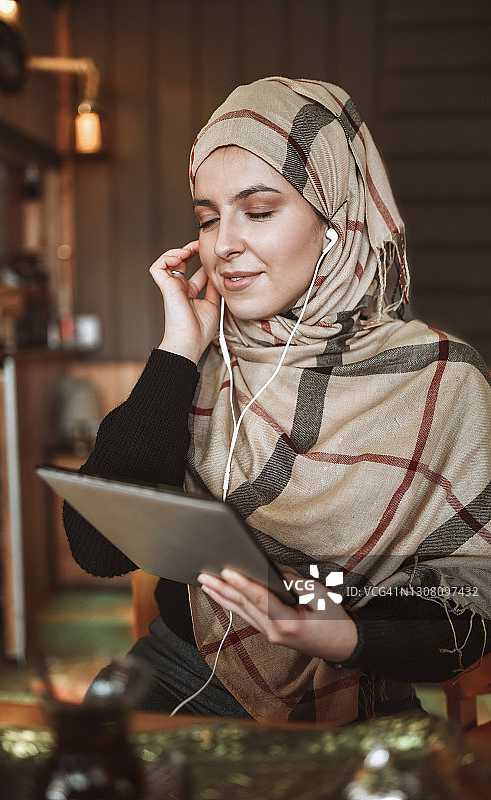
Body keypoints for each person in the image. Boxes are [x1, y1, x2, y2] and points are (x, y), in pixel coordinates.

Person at [63, 77, 491, 724]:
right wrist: (179, 349)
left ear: (334, 223)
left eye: (257, 211)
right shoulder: (206, 361)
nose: (223, 243)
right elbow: (98, 549)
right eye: (207, 217)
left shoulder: (438, 379)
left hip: (359, 694)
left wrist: (340, 636)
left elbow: (471, 609)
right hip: (178, 675)